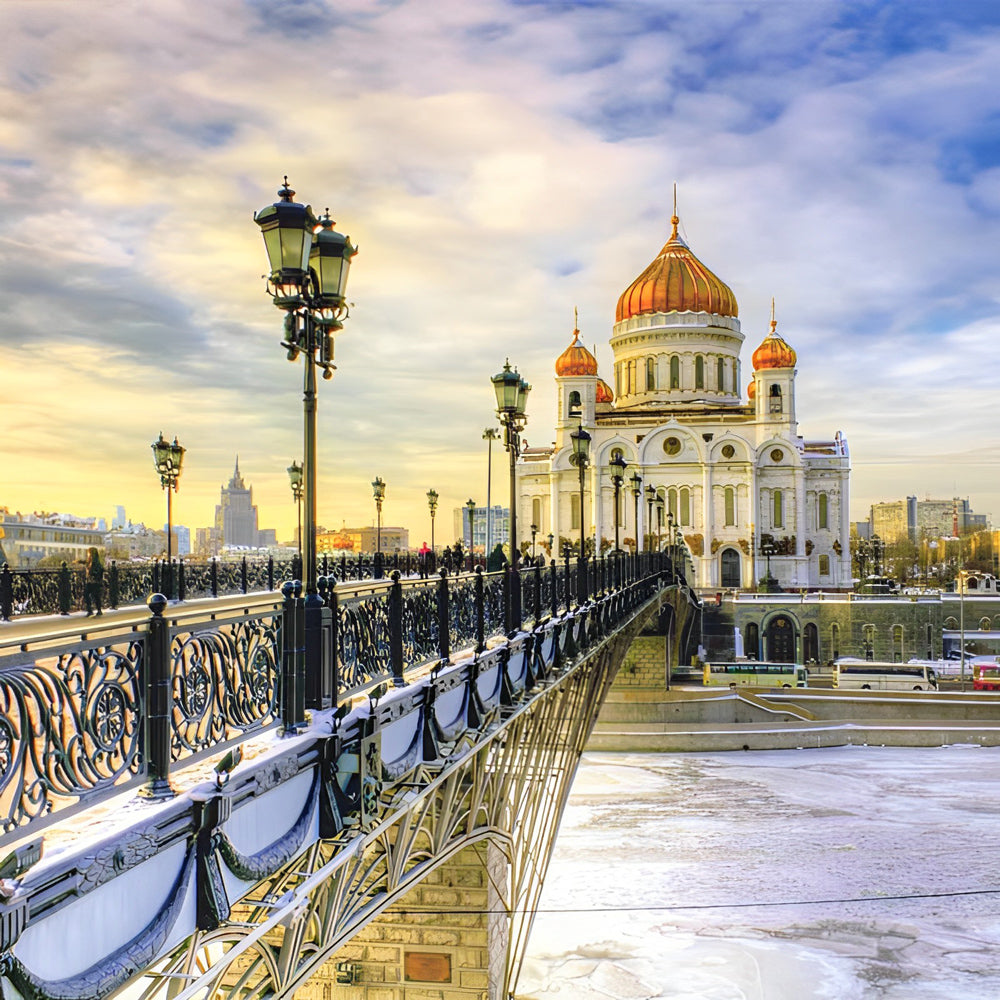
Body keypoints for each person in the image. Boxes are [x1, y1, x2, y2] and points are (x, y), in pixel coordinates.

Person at [84, 547, 104, 616]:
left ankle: (94, 610)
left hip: (94, 582)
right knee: (91, 596)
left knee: (94, 596)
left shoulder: (95, 563)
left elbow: (98, 571)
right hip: (91, 582)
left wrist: (93, 574)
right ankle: (94, 610)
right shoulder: (92, 561)